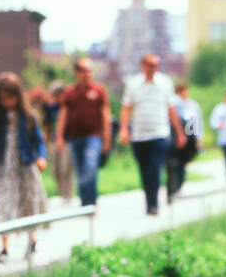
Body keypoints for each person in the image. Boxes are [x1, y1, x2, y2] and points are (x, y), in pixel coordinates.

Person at [0, 73, 48, 262]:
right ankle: (4, 248)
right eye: (3, 99)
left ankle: (32, 241)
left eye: (11, 97)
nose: (7, 102)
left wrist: (41, 157)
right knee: (4, 203)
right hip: (5, 169)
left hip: (25, 166)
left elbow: (38, 140)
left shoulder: (28, 117)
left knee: (29, 202)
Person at [118, 53, 185, 216]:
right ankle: (149, 201)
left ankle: (153, 205)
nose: (153, 68)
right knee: (145, 170)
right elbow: (126, 108)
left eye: (155, 65)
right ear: (143, 66)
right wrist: (124, 129)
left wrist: (180, 132)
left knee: (155, 168)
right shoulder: (133, 84)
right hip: (139, 136)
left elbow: (171, 109)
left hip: (159, 133)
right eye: (149, 65)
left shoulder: (164, 83)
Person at [56, 57, 111, 210]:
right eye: (83, 70)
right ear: (76, 72)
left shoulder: (99, 90)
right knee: (80, 170)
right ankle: (85, 202)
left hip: (94, 136)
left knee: (90, 165)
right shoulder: (70, 92)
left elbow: (105, 114)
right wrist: (60, 136)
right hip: (74, 137)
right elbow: (63, 115)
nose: (86, 73)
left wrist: (107, 138)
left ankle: (90, 202)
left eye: (89, 70)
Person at [166, 80, 202, 201]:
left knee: (183, 162)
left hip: (190, 136)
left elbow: (197, 123)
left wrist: (197, 137)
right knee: (174, 162)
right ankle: (173, 187)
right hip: (176, 135)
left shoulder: (193, 105)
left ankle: (179, 185)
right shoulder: (174, 103)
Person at [41, 82, 75, 202]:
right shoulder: (52, 108)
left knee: (66, 169)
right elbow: (47, 124)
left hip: (67, 141)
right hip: (53, 141)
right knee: (55, 170)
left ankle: (68, 195)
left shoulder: (71, 107)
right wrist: (46, 137)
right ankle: (62, 193)